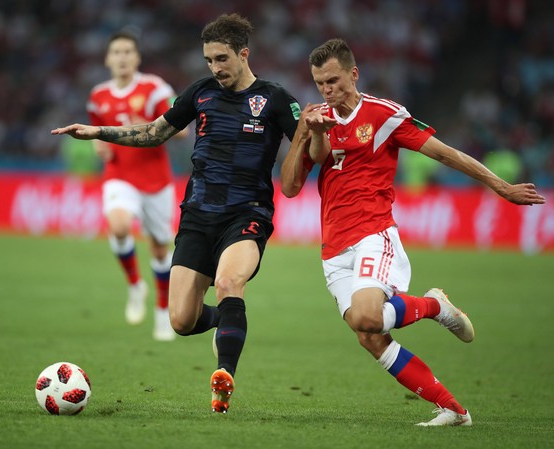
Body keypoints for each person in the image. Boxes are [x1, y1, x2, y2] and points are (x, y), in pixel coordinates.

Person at [281, 38, 546, 426]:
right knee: (368, 335)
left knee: (369, 317)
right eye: (320, 83)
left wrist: (500, 186)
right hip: (333, 248)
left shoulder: (383, 115)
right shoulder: (316, 119)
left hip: (374, 232)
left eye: (334, 81)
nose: (327, 90)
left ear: (354, 74)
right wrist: (305, 133)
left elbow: (444, 153)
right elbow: (289, 187)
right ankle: (455, 411)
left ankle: (434, 306)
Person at [52, 14, 301, 413]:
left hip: (248, 212)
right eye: (208, 60)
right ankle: (230, 318)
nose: (215, 68)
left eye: (222, 59)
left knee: (229, 279)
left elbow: (305, 143)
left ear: (243, 54)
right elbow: (154, 132)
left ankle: (224, 377)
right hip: (198, 215)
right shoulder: (200, 93)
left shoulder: (274, 99)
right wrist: (98, 132)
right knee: (181, 320)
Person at [87, 30, 188, 342]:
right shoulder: (98, 96)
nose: (122, 57)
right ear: (107, 58)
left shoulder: (155, 89)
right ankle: (134, 285)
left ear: (137, 57)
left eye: (128, 51)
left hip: (156, 181)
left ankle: (161, 309)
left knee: (160, 248)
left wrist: (147, 125)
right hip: (119, 175)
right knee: (118, 226)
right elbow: (97, 134)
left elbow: (182, 131)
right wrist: (99, 147)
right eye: (116, 52)